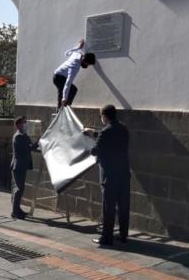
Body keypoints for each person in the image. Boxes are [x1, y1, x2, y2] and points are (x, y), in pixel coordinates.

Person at [83, 104, 131, 246]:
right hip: (123, 174)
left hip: (109, 176)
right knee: (123, 206)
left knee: (108, 207)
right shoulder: (123, 129)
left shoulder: (105, 132)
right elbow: (111, 138)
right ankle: (123, 235)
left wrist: (90, 146)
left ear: (104, 116)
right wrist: (95, 133)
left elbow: (96, 150)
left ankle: (106, 238)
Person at [53, 39, 96, 108]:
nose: (87, 66)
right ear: (84, 61)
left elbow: (66, 53)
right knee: (71, 90)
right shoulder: (75, 67)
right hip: (59, 78)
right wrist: (64, 98)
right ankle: (64, 107)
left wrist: (78, 47)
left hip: (58, 75)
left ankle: (63, 107)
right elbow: (68, 83)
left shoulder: (78, 53)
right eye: (87, 64)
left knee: (66, 91)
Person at [10, 116, 38, 220]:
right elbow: (28, 148)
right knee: (19, 188)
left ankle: (17, 210)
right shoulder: (18, 137)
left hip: (23, 165)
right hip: (18, 166)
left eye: (26, 122)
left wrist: (38, 144)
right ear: (18, 125)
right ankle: (15, 211)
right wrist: (38, 142)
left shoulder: (24, 135)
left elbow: (31, 145)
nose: (25, 124)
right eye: (23, 123)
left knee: (20, 188)